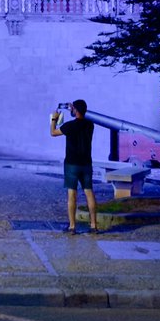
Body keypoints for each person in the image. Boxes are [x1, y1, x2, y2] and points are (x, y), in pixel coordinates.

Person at [50, 99, 98, 234]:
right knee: (89, 192)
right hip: (86, 163)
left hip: (72, 163)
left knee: (72, 194)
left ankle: (72, 226)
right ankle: (94, 225)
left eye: (73, 109)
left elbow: (53, 133)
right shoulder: (90, 125)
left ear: (75, 110)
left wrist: (54, 119)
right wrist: (74, 107)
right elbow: (80, 115)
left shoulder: (69, 126)